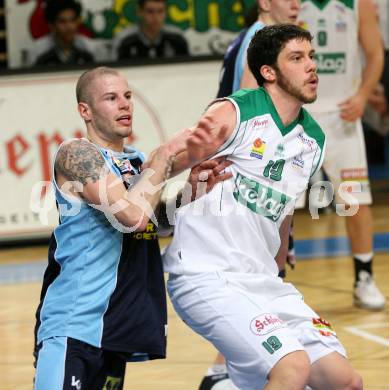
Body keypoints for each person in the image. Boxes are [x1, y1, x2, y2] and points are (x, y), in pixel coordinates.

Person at [164, 24, 363, 390]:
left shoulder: (312, 138)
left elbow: (284, 209)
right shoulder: (235, 111)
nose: (312, 67)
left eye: (312, 57)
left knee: (345, 381)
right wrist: (129, 200)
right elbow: (164, 159)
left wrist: (280, 253)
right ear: (269, 72)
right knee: (293, 369)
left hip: (262, 280)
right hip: (207, 274)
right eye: (297, 58)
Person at [33, 66, 229, 389]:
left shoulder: (138, 163)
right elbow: (131, 216)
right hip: (74, 324)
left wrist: (190, 192)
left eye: (127, 96)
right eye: (111, 98)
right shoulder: (77, 154)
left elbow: (152, 226)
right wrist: (164, 156)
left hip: (115, 327)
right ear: (86, 110)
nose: (125, 104)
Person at [204, 1, 300, 387]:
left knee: (258, 282)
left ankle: (226, 372)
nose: (297, 3)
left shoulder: (251, 39)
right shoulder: (259, 42)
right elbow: (249, 117)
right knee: (253, 281)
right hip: (246, 184)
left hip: (245, 180)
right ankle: (221, 375)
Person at [298, 0, 386, 310]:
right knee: (282, 203)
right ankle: (274, 278)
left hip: (343, 114)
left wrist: (362, 95)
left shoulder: (357, 3)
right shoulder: (292, 4)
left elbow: (375, 55)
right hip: (299, 112)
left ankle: (364, 278)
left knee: (356, 199)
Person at [26, 0, 95, 67]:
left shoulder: (89, 49)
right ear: (51, 25)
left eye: (73, 20)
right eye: (62, 21)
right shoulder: (38, 52)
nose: (69, 27)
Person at [113, 0, 189, 61]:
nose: (156, 17)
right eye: (150, 11)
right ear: (139, 11)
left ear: (166, 13)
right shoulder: (124, 39)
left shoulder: (177, 37)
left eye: (160, 11)